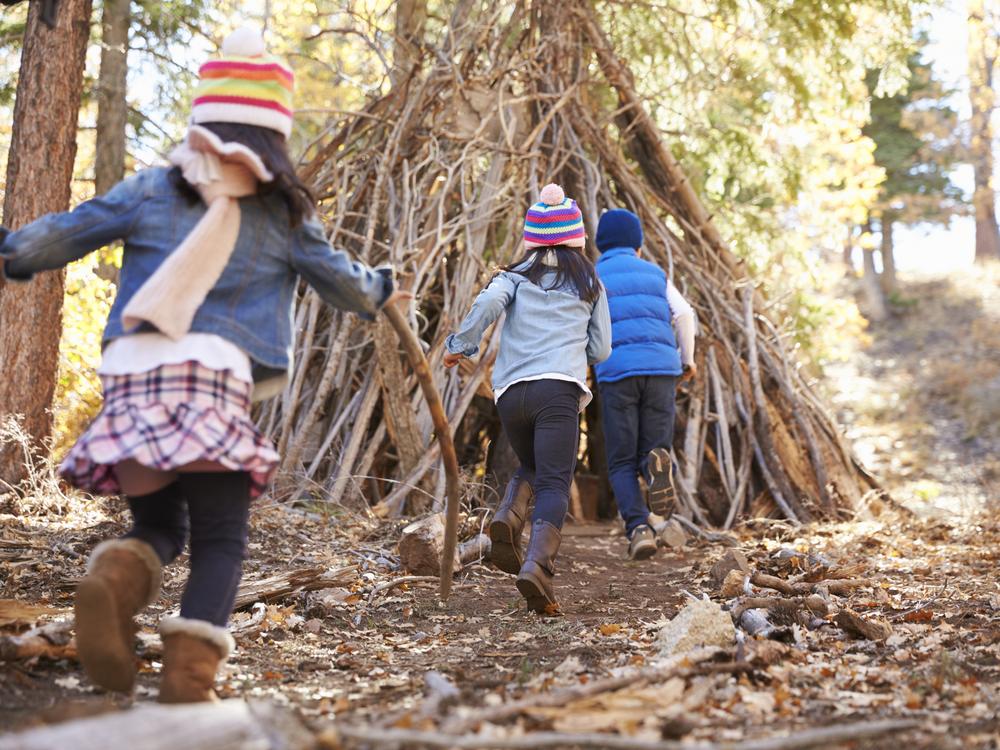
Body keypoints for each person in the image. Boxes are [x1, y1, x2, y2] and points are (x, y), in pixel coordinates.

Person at [0, 27, 404, 702]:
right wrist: (382, 287)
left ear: (203, 120)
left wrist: (14, 250)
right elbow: (345, 286)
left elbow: (67, 231)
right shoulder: (281, 215)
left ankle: (114, 582)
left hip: (132, 380)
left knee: (158, 528)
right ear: (275, 134)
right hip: (211, 382)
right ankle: (189, 675)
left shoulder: (152, 189)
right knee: (220, 540)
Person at [444, 184, 610, 613]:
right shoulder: (590, 281)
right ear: (576, 238)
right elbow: (602, 349)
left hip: (510, 394)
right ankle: (537, 566)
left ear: (532, 239)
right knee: (555, 480)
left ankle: (508, 517)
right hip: (557, 390)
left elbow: (486, 305)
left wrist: (459, 346)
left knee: (533, 466)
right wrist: (578, 352)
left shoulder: (513, 277)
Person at [593, 208, 697, 561]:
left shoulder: (594, 276)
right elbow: (683, 313)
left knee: (621, 460)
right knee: (653, 449)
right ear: (637, 245)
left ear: (600, 244)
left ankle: (638, 529)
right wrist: (688, 359)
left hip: (617, 371)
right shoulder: (655, 273)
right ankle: (655, 466)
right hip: (661, 370)